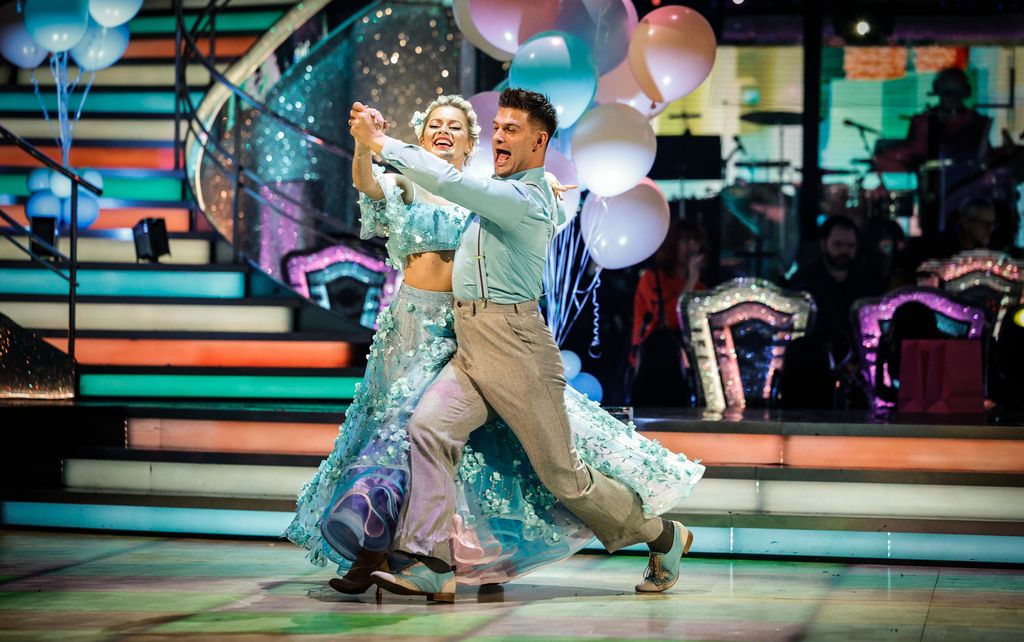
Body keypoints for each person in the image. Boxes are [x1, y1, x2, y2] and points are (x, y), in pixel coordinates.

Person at [290, 93, 704, 597]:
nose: (501, 136)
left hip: (515, 348)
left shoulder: (523, 199)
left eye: (512, 129)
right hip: (466, 342)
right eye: (499, 128)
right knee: (427, 429)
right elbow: (445, 188)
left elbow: (451, 181)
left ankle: (664, 536)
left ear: (539, 140)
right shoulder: (502, 190)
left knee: (564, 477)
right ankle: (432, 564)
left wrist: (382, 142)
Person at [629, 219, 707, 407]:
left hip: (686, 371)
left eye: (695, 241)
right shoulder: (652, 279)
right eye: (685, 241)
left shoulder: (701, 287)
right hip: (655, 367)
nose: (691, 247)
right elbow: (671, 319)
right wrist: (690, 282)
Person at [788, 215, 882, 366]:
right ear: (824, 243)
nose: (844, 251)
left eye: (850, 246)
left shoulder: (867, 284)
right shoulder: (803, 283)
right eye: (838, 245)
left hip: (858, 365)